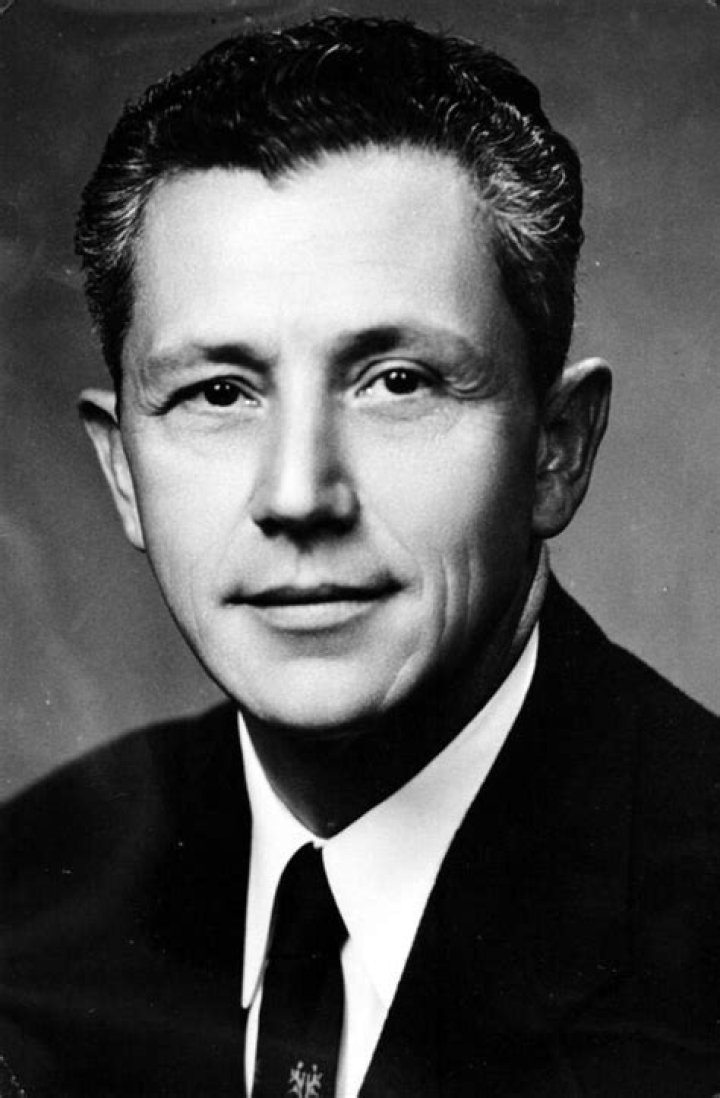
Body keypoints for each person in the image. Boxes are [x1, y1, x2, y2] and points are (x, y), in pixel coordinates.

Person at [1, 15, 719, 1098]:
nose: (299, 495)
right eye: (219, 393)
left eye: (397, 381)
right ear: (122, 474)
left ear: (557, 452)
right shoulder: (27, 890)